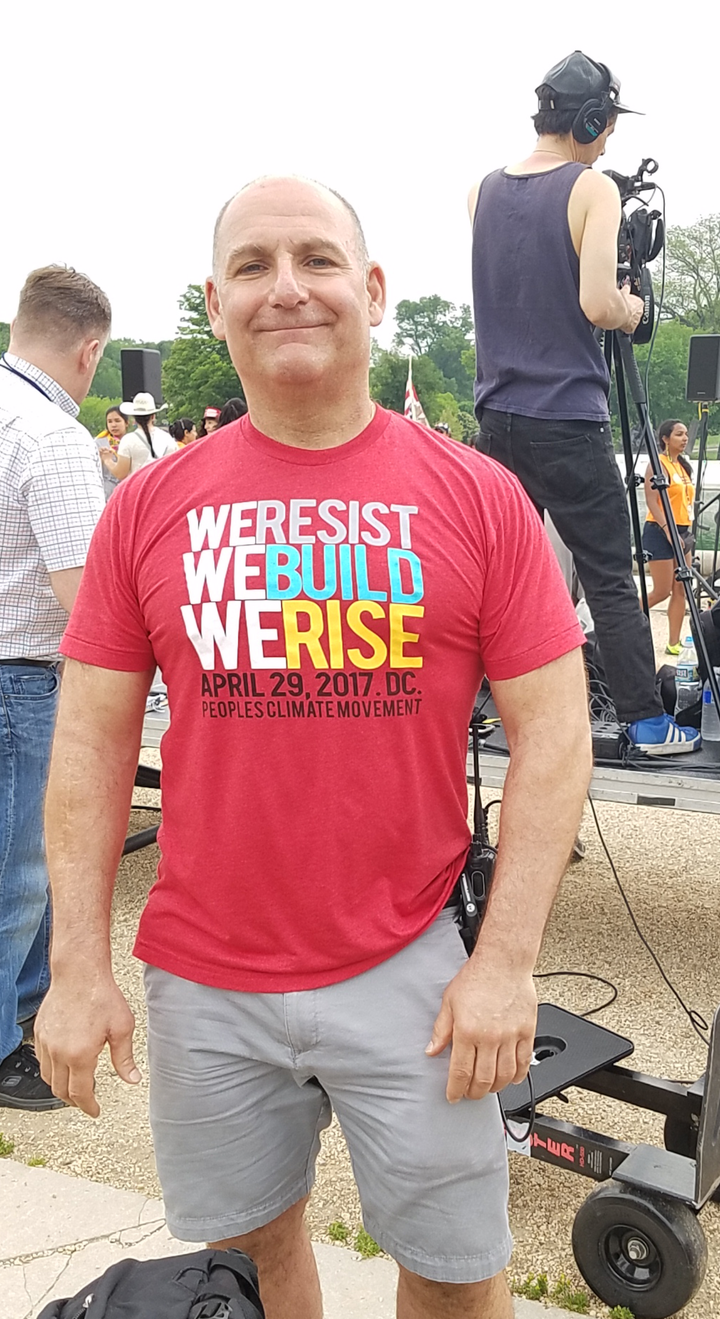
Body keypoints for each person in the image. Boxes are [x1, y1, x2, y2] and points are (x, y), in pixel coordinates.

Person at [36, 177, 592, 1319]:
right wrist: (79, 965)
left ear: (372, 289)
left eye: (317, 259)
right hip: (205, 977)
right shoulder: (148, 507)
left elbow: (557, 736)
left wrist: (508, 961)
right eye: (252, 267)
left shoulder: (479, 498)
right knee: (243, 1264)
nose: (287, 288)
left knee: (453, 1271)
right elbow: (89, 749)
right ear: (217, 302)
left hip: (414, 968)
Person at [469, 50, 700, 756]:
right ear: (591, 119)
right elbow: (598, 303)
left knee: (491, 575)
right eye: (607, 127)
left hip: (495, 416)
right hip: (566, 417)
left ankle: (466, 705)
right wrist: (634, 308)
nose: (610, 142)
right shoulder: (591, 189)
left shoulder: (482, 188)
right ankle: (645, 721)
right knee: (606, 571)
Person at [0, 264, 109, 1110]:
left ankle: (24, 1009)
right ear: (90, 349)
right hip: (23, 676)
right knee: (21, 874)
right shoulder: (53, 437)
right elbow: (89, 601)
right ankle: (7, 1045)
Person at [642, 419, 695, 654]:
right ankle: (624, 623)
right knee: (661, 591)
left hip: (683, 530)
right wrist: (667, 530)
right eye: (678, 435)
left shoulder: (683, 466)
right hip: (660, 530)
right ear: (665, 439)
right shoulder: (657, 464)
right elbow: (652, 501)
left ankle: (674, 642)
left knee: (681, 588)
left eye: (685, 435)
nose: (684, 439)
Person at [104, 392, 178, 479]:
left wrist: (107, 460)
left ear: (134, 418)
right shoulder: (167, 438)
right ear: (153, 416)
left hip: (139, 489)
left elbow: (121, 474)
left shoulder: (129, 440)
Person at [95, 405, 128, 500]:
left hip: (126, 487)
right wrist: (101, 459)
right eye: (110, 421)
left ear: (126, 423)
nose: (113, 425)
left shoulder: (132, 441)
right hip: (106, 490)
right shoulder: (99, 443)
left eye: (117, 421)